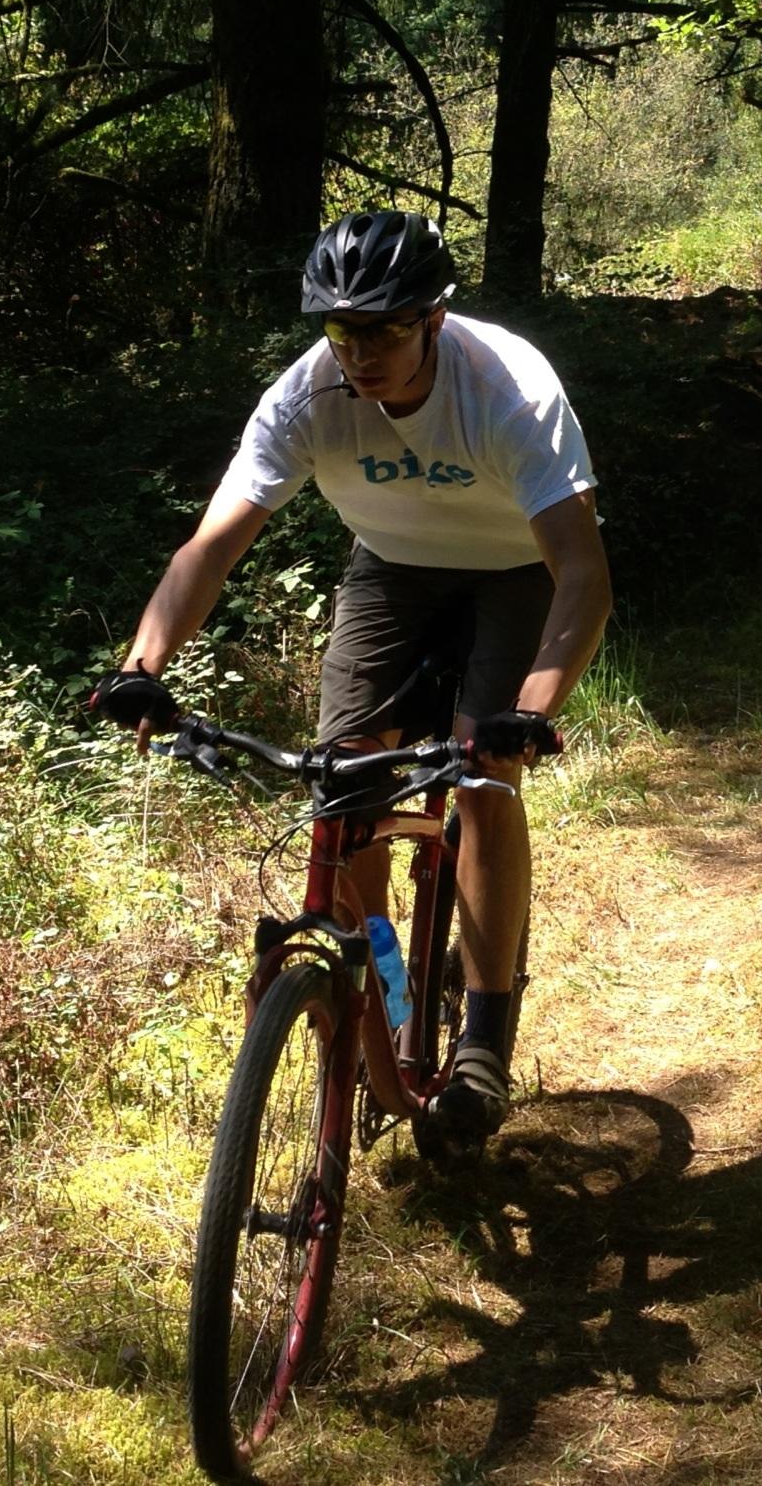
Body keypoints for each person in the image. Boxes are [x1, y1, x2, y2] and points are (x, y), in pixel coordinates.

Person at [95, 209, 612, 1143]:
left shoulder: (507, 391)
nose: (360, 353)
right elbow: (211, 546)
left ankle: (484, 1038)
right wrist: (141, 667)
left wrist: (528, 712)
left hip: (516, 570)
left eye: (383, 330)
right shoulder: (304, 397)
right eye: (342, 332)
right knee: (345, 782)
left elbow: (583, 573)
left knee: (483, 777)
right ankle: (389, 1003)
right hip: (393, 565)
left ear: (435, 322)